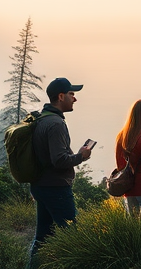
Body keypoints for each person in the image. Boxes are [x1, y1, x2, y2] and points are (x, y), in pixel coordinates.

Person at [27, 77, 92, 269]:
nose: (75, 99)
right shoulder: (56, 124)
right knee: (72, 236)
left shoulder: (42, 119)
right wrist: (81, 156)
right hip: (55, 189)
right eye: (72, 94)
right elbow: (59, 160)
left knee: (43, 237)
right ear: (61, 96)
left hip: (41, 185)